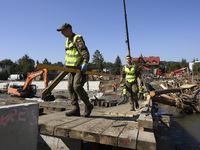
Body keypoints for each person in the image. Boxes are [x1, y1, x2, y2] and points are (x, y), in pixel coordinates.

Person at [57, 23, 93, 117]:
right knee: (70, 88)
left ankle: (88, 105)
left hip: (79, 68)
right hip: (70, 69)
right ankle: (75, 109)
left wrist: (85, 63)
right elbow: (69, 56)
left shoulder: (77, 38)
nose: (62, 33)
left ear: (69, 29)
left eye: (63, 30)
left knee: (76, 86)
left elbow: (85, 52)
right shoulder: (66, 41)